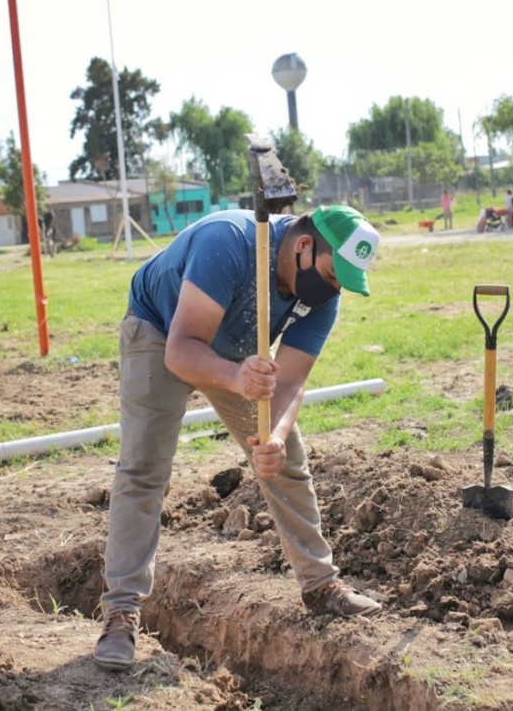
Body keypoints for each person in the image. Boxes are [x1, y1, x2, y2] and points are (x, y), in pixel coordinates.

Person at [94, 205, 384, 671]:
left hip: (236, 344)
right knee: (144, 468)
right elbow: (182, 349)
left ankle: (320, 584)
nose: (333, 288)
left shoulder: (325, 295)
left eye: (343, 281)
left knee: (287, 457)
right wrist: (234, 375)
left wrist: (275, 436)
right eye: (332, 273)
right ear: (305, 246)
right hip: (162, 330)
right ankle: (121, 612)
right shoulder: (227, 243)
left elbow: (289, 382)